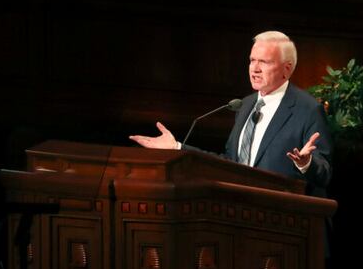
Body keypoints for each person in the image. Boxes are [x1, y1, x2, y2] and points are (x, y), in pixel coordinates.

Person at [129, 31, 332, 198]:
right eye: (252, 60)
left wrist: (306, 163)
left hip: (287, 220)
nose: (255, 69)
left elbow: (324, 173)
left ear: (286, 69)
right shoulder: (245, 105)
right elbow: (230, 164)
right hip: (240, 214)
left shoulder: (307, 110)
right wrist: (176, 148)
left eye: (265, 62)